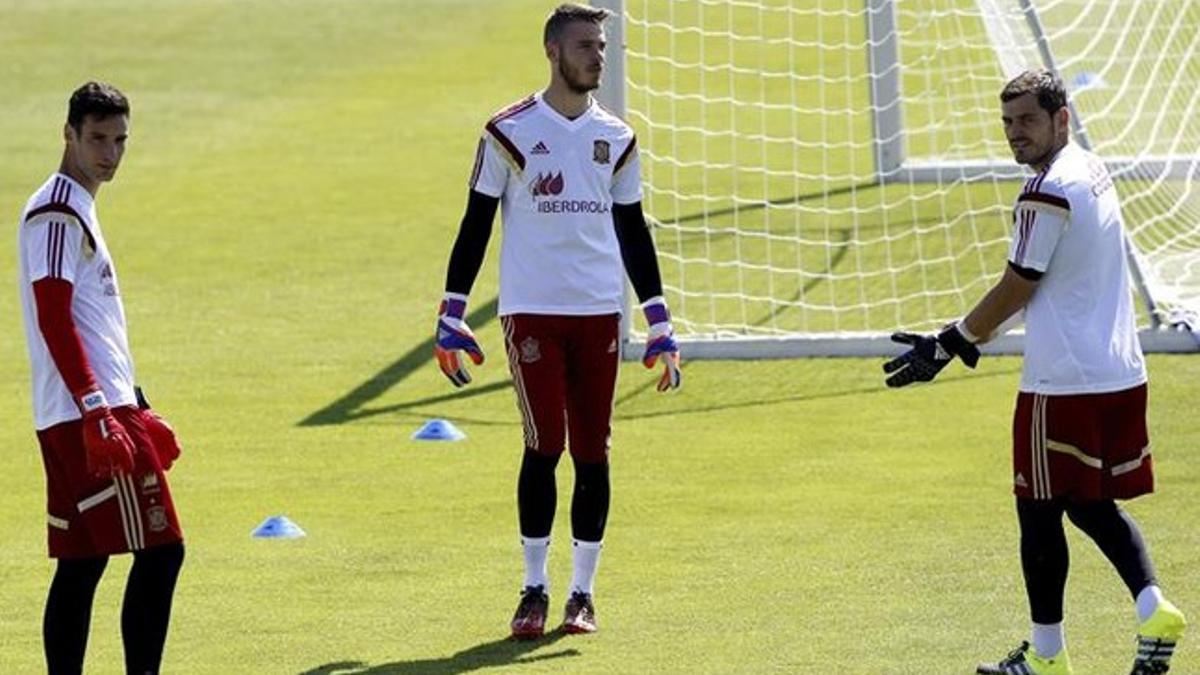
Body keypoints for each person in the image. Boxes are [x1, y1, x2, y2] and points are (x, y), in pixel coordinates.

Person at [883, 70, 1187, 675]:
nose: (1014, 134)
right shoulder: (1091, 169)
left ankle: (1048, 657)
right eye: (1006, 123)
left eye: (1026, 120)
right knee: (1088, 505)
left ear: (1061, 119)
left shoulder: (1044, 193)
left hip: (1063, 383)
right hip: (1119, 372)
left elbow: (1019, 285)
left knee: (1038, 509)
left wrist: (949, 344)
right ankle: (1154, 608)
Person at [432, 3, 681, 640]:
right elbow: (475, 222)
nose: (598, 56)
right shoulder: (508, 131)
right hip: (532, 313)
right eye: (584, 46)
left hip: (599, 313)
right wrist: (452, 311)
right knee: (544, 447)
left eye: (600, 45)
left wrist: (658, 322)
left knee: (592, 453)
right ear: (552, 52)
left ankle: (583, 594)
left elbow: (633, 230)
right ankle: (535, 586)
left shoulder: (618, 138)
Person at [17, 81, 186, 674]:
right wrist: (100, 410)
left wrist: (139, 404)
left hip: (86, 410)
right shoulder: (58, 211)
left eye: (119, 140)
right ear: (67, 135)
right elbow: (53, 313)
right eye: (96, 139)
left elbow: (92, 326)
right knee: (163, 551)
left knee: (83, 562)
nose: (109, 154)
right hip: (87, 416)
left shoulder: (76, 207)